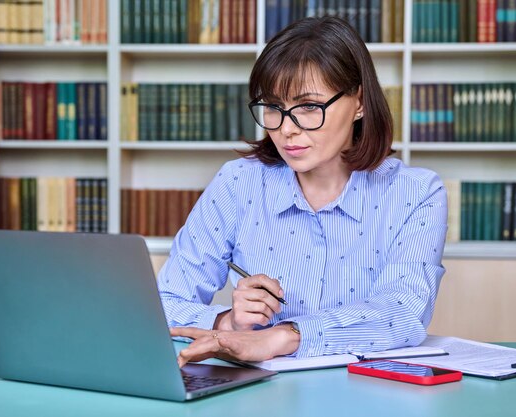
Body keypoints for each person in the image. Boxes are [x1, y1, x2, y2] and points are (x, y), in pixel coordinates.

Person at [158, 16, 447, 368]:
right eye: (274, 108)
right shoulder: (238, 183)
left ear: (359, 101)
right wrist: (227, 324)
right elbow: (163, 301)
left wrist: (282, 336)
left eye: (309, 107)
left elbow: (403, 313)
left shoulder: (415, 193)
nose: (287, 130)